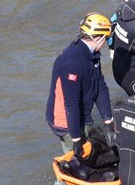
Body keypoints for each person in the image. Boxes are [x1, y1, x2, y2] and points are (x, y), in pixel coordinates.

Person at [46, 12, 116, 176]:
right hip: (65, 120)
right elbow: (70, 105)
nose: (105, 43)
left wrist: (108, 119)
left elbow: (100, 86)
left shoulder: (92, 55)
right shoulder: (72, 63)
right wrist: (77, 139)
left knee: (92, 154)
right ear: (97, 38)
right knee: (75, 165)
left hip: (81, 114)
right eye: (106, 39)